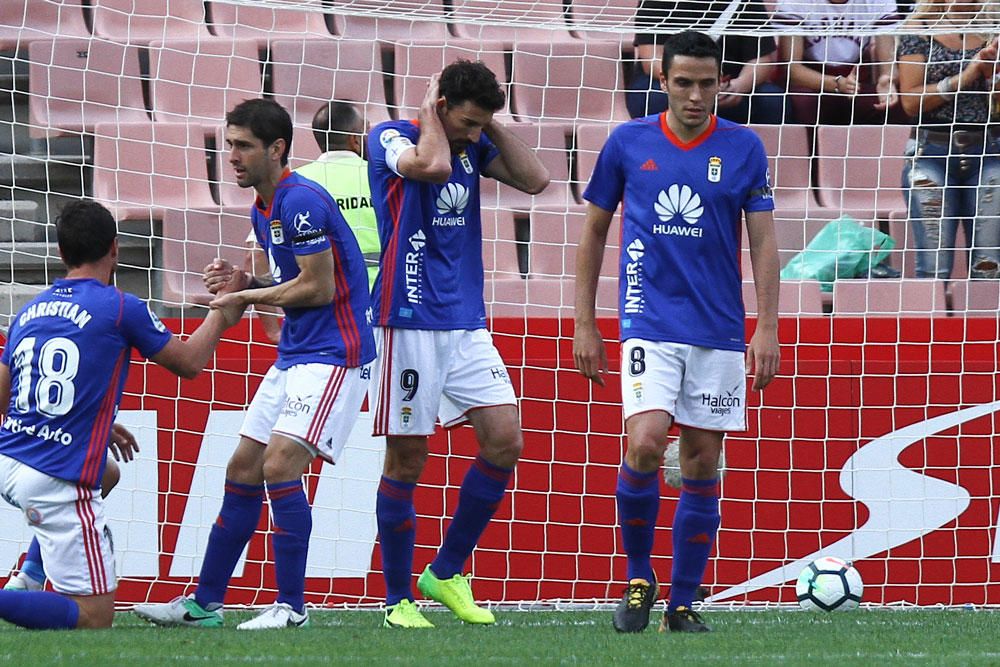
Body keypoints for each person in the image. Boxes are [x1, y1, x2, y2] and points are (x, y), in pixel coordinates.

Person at [133, 98, 376, 630]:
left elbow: (318, 286)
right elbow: (285, 286)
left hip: (337, 353)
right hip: (299, 353)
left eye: (243, 146)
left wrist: (247, 300)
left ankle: (291, 608)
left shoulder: (302, 201)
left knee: (279, 467)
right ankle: (205, 604)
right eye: (229, 145)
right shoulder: (262, 208)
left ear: (277, 148)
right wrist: (247, 285)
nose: (233, 156)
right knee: (242, 469)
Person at [573, 31, 780, 634]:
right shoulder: (627, 143)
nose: (695, 96)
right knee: (645, 441)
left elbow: (764, 242)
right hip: (648, 318)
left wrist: (765, 326)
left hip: (717, 326)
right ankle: (639, 577)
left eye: (707, 84)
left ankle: (683, 602)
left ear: (722, 83)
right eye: (684, 82)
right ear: (662, 80)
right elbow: (591, 235)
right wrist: (585, 322)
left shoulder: (744, 148)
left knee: (702, 459)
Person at [0, 199, 246, 630]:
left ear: (60, 253)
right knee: (94, 618)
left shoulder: (29, 311)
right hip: (53, 476)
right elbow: (188, 363)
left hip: (9, 462)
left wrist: (87, 419)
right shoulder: (119, 306)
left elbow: (10, 392)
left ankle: (31, 576)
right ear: (115, 248)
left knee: (108, 473)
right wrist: (223, 312)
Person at [367, 60, 549, 629]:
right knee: (408, 457)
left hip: (466, 320)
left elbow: (537, 178)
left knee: (505, 439)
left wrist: (486, 127)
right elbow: (432, 163)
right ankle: (398, 599)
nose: (473, 134)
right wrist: (432, 114)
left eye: (480, 125)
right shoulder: (391, 136)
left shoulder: (474, 142)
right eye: (467, 121)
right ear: (440, 104)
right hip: (407, 315)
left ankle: (444, 572)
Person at [241, 100, 382, 344]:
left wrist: (272, 329)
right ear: (355, 138)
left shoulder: (295, 184)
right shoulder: (381, 178)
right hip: (384, 308)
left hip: (324, 319)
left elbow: (254, 257)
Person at [897, 0, 1000, 279]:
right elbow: (910, 102)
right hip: (931, 151)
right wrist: (966, 76)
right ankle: (929, 322)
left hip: (990, 149)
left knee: (990, 265)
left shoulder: (994, 28)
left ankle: (985, 323)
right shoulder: (919, 30)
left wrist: (994, 79)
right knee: (933, 265)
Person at [4, 422, 137, 591]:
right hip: (19, 458)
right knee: (96, 613)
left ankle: (31, 576)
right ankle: (32, 576)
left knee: (107, 473)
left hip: (20, 453)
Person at [626, 0, 789, 125]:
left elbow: (763, 59)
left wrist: (740, 85)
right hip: (673, 83)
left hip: (727, 86)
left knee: (774, 102)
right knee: (652, 98)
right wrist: (689, 85)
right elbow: (651, 59)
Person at [774, 0, 906, 125]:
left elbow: (887, 62)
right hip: (810, 77)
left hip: (857, 74)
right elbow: (792, 70)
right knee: (804, 102)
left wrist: (887, 80)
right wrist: (837, 83)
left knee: (892, 103)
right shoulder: (795, 2)